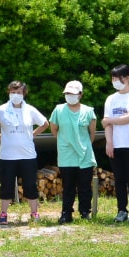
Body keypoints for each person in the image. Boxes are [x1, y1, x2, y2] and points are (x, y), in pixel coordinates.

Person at [0, 81, 49, 224]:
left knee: (30, 185)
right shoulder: (2, 109)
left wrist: (32, 134)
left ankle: (34, 212)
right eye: (13, 92)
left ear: (24, 94)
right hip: (7, 155)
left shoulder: (30, 110)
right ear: (8, 93)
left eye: (19, 92)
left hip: (27, 155)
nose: (16, 95)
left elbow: (45, 123)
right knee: (6, 185)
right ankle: (3, 214)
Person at [102, 64, 129, 224]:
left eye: (117, 78)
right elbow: (107, 125)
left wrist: (109, 120)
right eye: (112, 78)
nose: (114, 81)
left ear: (126, 78)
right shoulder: (111, 99)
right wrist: (109, 143)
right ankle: (122, 210)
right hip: (115, 144)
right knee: (119, 179)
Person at [49, 80, 97, 224]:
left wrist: (84, 145)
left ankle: (85, 211)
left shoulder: (88, 111)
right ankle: (66, 213)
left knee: (84, 186)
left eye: (73, 93)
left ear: (80, 95)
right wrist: (65, 142)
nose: (70, 96)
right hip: (66, 154)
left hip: (85, 155)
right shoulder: (58, 110)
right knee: (68, 186)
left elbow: (92, 133)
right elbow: (54, 130)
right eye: (67, 93)